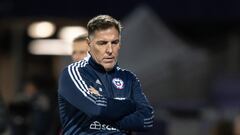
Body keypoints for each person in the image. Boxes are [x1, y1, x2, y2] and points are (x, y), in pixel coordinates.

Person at [58, 15, 154, 134]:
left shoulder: (129, 78)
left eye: (114, 42)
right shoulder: (74, 72)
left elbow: (147, 120)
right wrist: (130, 104)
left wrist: (105, 108)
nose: (109, 50)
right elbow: (96, 109)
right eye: (102, 43)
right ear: (89, 44)